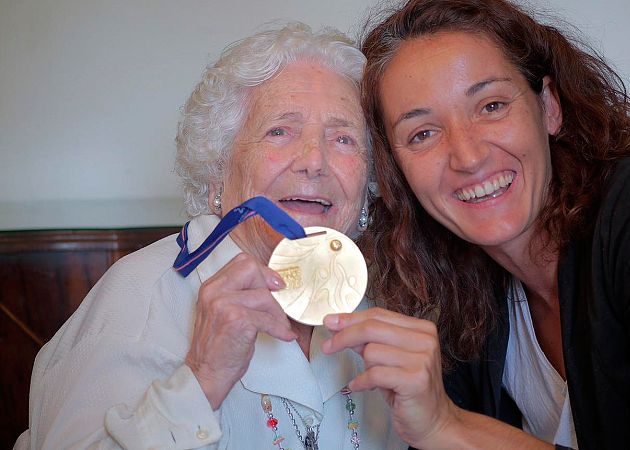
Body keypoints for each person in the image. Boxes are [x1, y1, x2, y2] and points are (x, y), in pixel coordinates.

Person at [321, 0, 630, 449]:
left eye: (491, 106)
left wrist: (449, 425)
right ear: (395, 168)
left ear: (548, 106)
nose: (467, 156)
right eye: (423, 133)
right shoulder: (463, 289)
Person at [15, 23, 404, 449]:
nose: (314, 161)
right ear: (219, 166)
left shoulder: (387, 303)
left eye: (344, 138)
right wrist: (203, 378)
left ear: (369, 183)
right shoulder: (142, 297)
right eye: (280, 131)